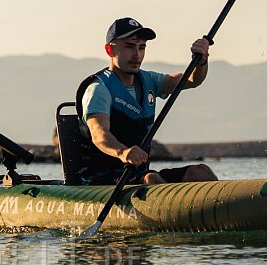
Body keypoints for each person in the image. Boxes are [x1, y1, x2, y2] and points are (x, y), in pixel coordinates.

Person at [75, 17, 218, 186]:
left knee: (201, 172)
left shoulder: (149, 80)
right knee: (152, 179)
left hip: (136, 175)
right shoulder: (99, 89)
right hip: (102, 181)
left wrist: (201, 62)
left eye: (141, 47)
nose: (137, 55)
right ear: (109, 50)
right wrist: (123, 152)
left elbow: (192, 80)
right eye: (129, 46)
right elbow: (99, 134)